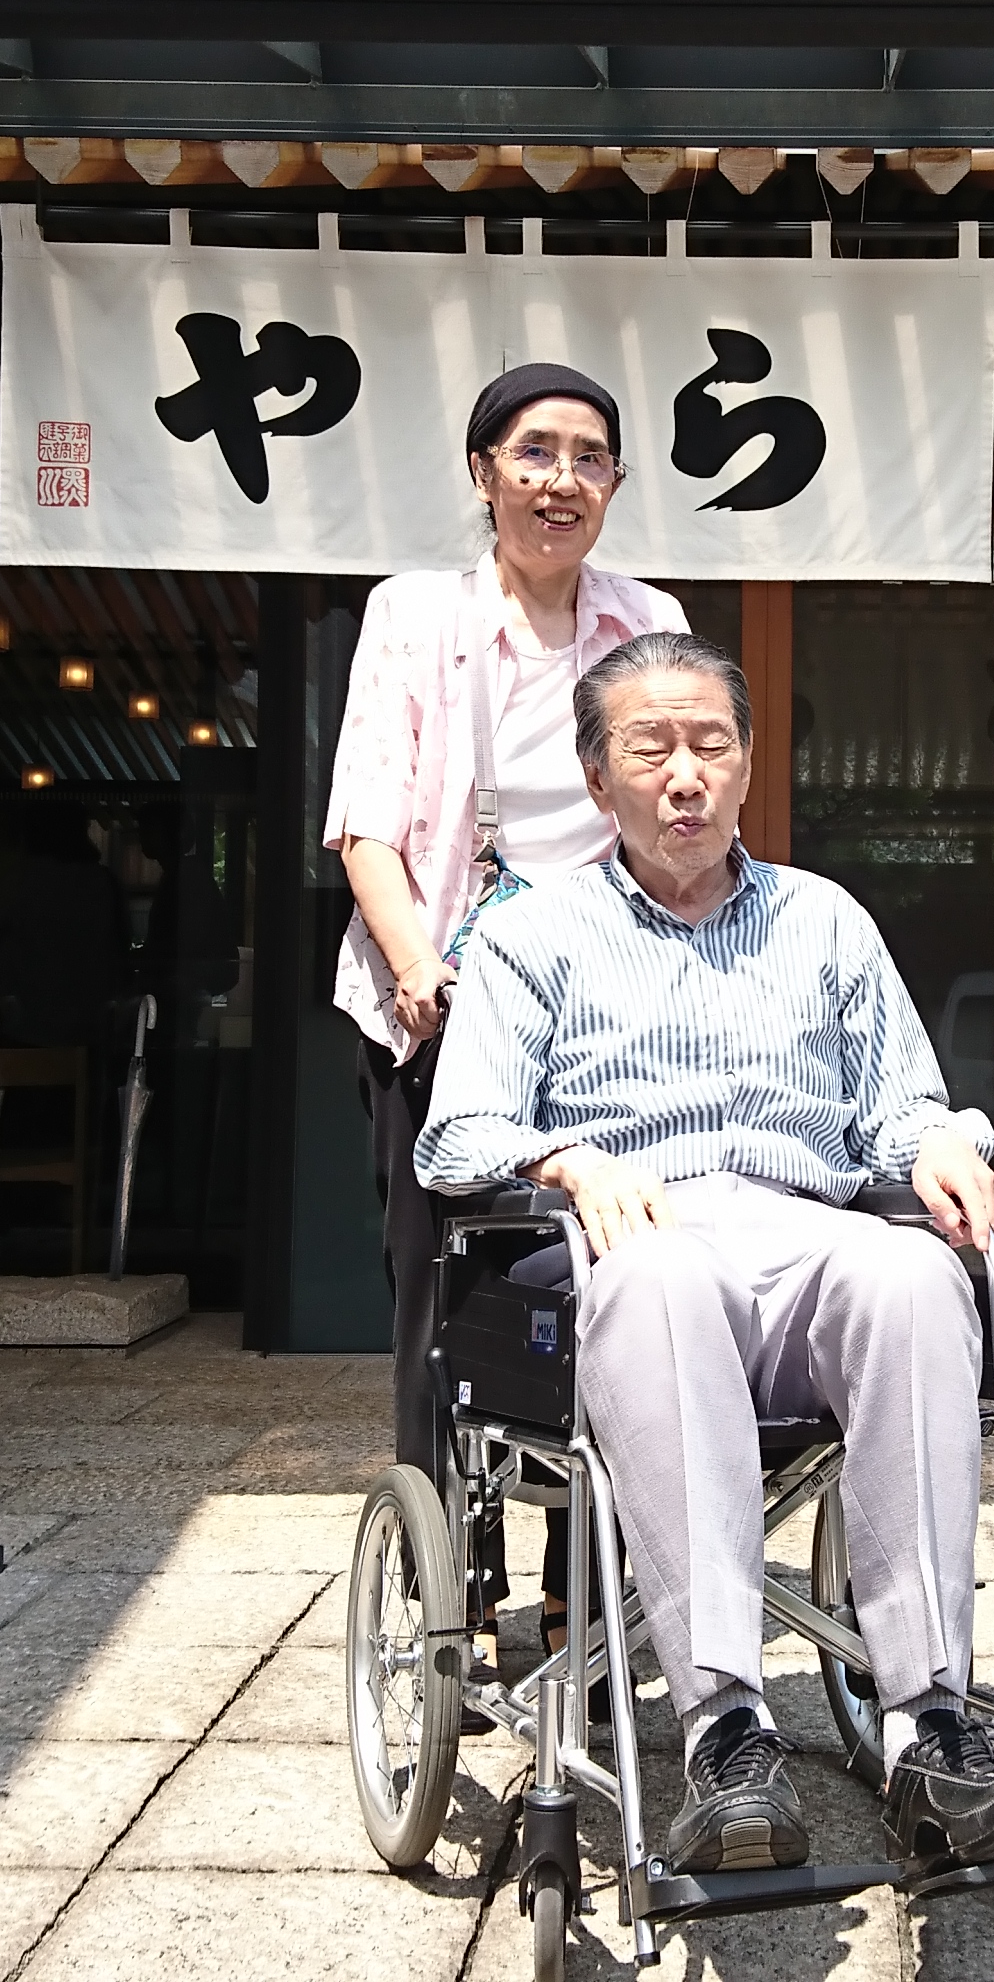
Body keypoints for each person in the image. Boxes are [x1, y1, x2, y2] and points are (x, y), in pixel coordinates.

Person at [418, 631, 994, 1878]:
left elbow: (895, 1104)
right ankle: (727, 1730)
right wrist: (570, 1163)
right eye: (651, 746)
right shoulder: (533, 935)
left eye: (711, 744)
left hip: (805, 1228)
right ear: (596, 774)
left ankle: (932, 1730)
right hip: (634, 1235)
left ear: (745, 767)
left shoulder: (824, 921)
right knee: (667, 1278)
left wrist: (944, 1142)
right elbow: (456, 1136)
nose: (685, 774)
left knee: (913, 1271)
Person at [323, 361, 688, 1648]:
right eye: (535, 453)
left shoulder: (648, 619)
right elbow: (367, 822)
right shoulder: (415, 618)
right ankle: (447, 1572)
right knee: (437, 1290)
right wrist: (421, 972)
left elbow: (667, 797)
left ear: (616, 486)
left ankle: (572, 1571)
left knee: (601, 1276)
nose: (562, 480)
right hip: (431, 993)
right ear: (483, 474)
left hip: (593, 1010)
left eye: (591, 458)